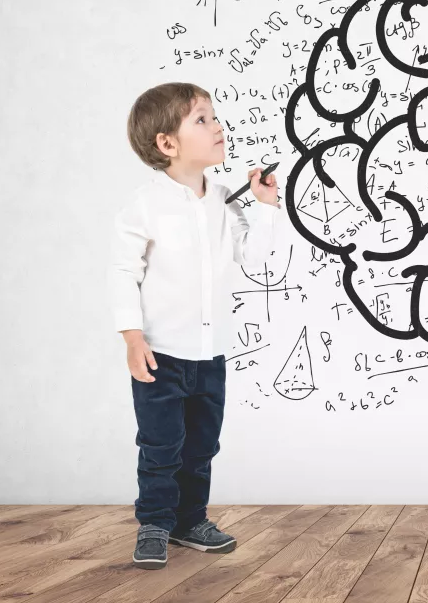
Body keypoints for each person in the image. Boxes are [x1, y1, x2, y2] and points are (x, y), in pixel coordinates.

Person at [107, 82, 284, 569]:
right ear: (168, 143)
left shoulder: (226, 200)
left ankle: (190, 521)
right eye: (202, 120)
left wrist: (266, 206)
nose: (217, 126)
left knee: (202, 444)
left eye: (215, 116)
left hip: (210, 353)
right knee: (161, 445)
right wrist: (132, 336)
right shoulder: (144, 205)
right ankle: (155, 524)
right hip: (160, 353)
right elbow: (124, 271)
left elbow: (256, 257)